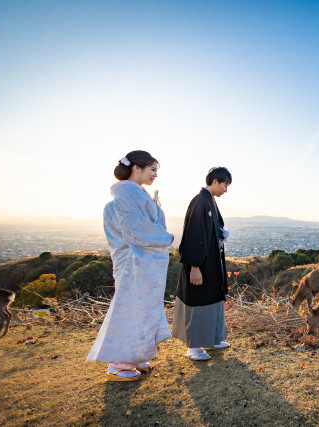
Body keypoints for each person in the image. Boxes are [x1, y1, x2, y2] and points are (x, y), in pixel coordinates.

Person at [87, 150, 174, 381]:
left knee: (142, 309)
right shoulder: (126, 197)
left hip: (140, 262)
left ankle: (133, 357)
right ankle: (118, 363)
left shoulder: (134, 195)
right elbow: (135, 230)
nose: (155, 174)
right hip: (133, 263)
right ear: (136, 168)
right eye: (152, 169)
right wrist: (167, 238)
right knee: (130, 310)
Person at [172, 167, 232, 360]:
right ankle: (194, 346)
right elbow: (194, 236)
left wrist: (221, 232)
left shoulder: (209, 201)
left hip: (212, 263)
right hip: (201, 264)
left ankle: (212, 339)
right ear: (215, 181)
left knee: (213, 299)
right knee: (199, 301)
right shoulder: (200, 201)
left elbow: (213, 228)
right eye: (225, 185)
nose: (225, 190)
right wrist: (195, 267)